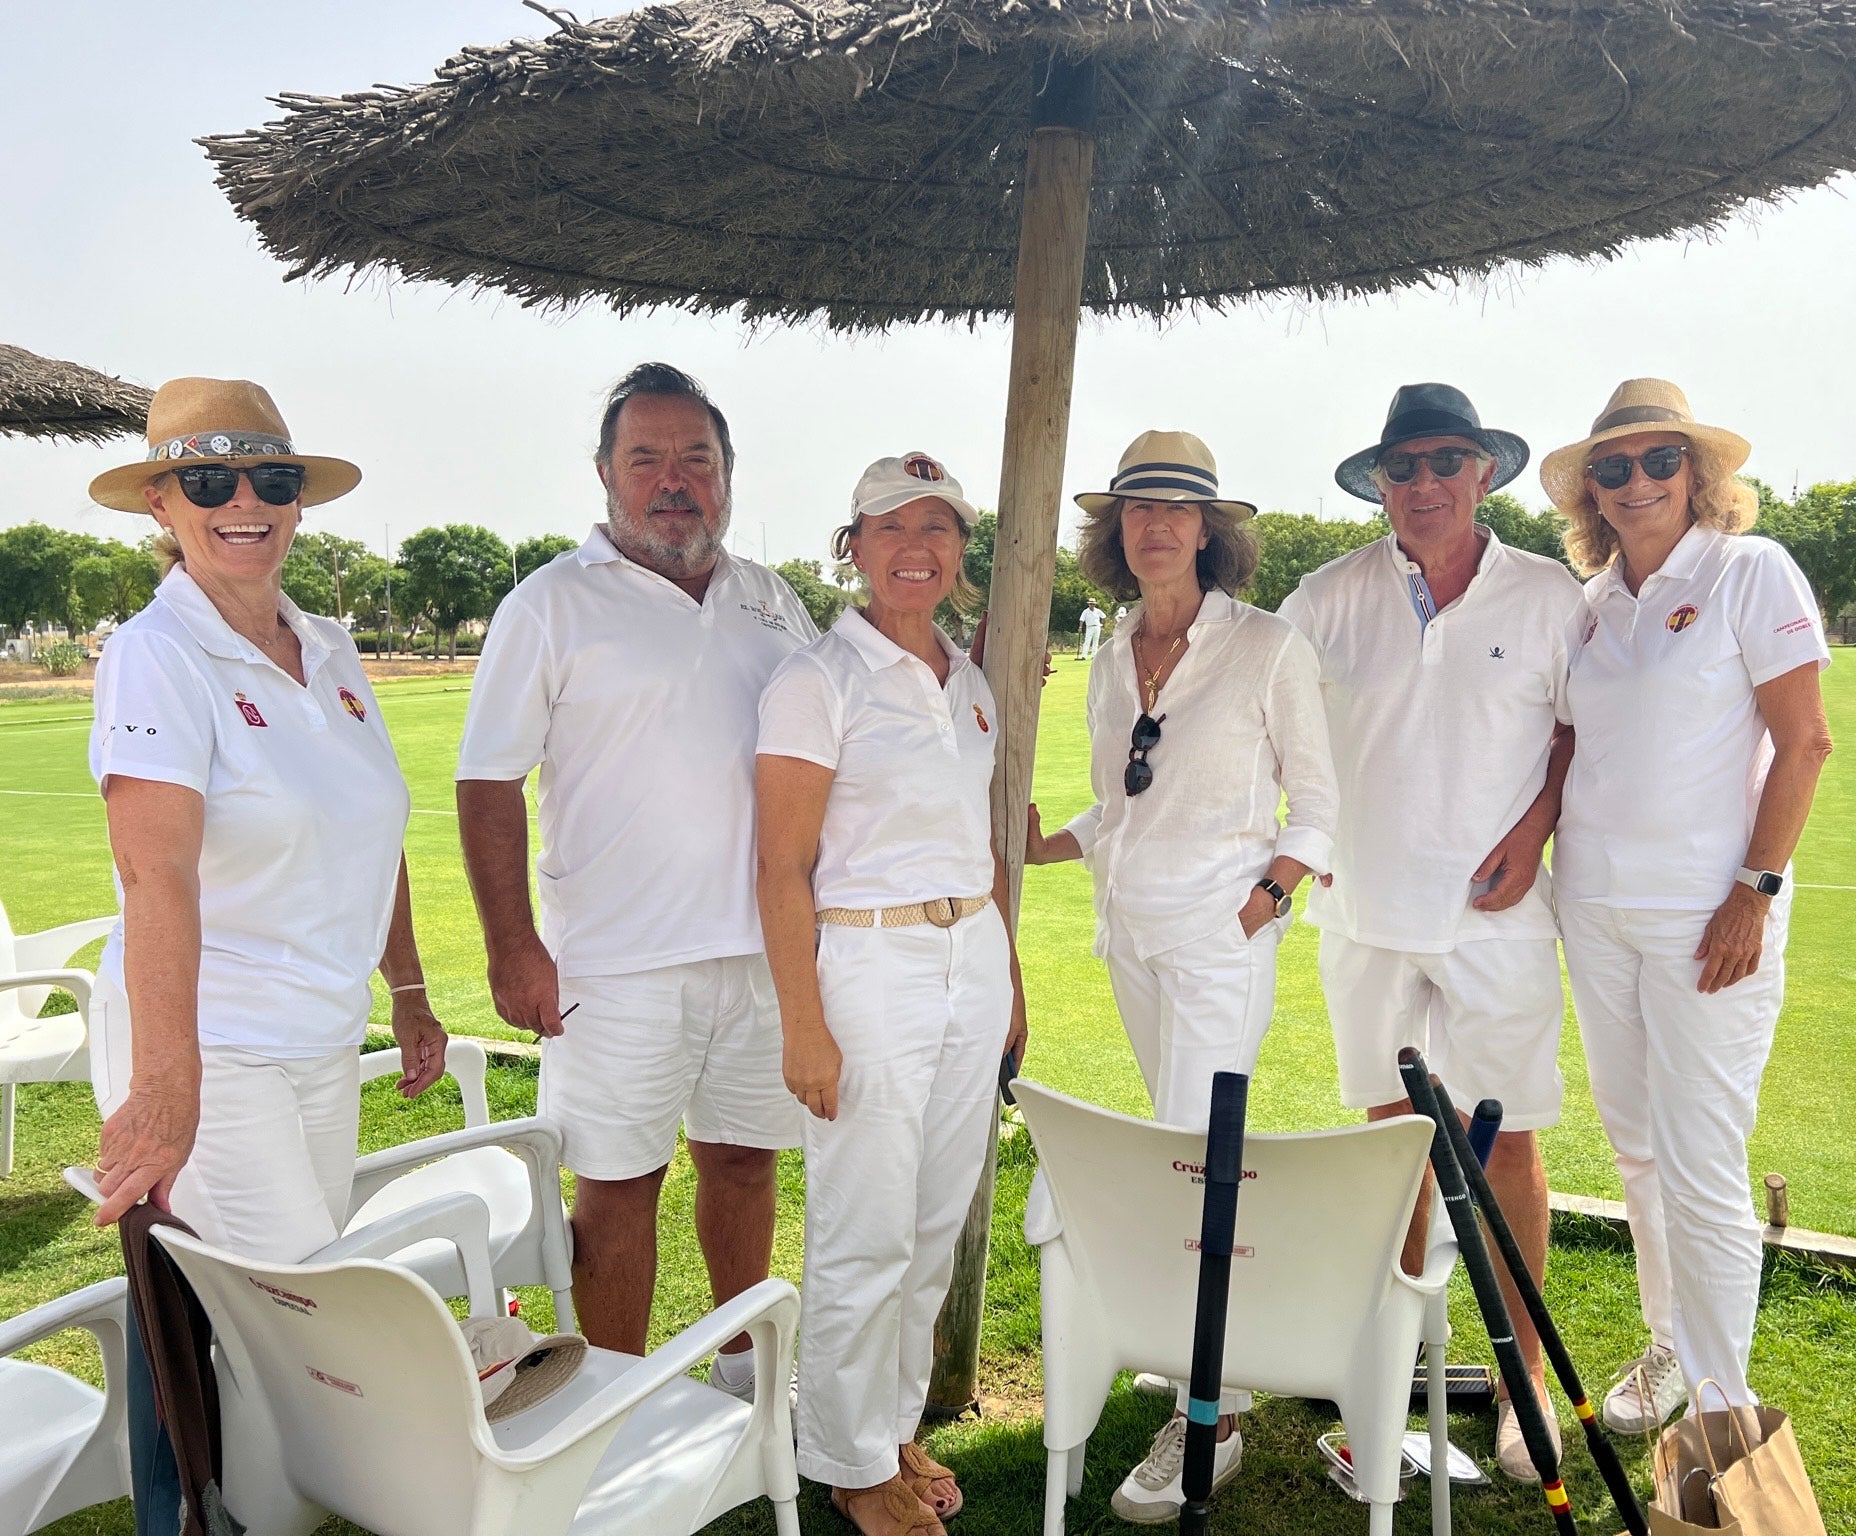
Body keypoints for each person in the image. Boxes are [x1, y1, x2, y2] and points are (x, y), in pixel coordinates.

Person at [83, 377, 448, 1532]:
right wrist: (167, 1082)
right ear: (162, 503)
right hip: (213, 1045)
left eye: (272, 481)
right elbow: (157, 875)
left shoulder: (331, 649)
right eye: (210, 481)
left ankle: (208, 1506)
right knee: (304, 1326)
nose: (245, 502)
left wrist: (411, 989)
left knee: (252, 1328)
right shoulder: (155, 654)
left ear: (298, 501)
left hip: (318, 1035)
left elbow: (372, 827)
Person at [456, 365, 815, 1379]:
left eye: (694, 458)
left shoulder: (773, 599)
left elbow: (837, 735)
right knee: (616, 1191)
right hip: (611, 967)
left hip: (758, 954)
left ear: (727, 475)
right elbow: (487, 786)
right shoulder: (550, 605)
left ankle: (743, 1376)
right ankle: (609, 1411)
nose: (672, 481)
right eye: (645, 458)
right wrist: (514, 946)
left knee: (743, 1166)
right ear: (605, 474)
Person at [1024, 430, 1338, 1523]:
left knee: (1201, 1162)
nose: (1154, 525)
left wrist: (1260, 905)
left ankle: (1216, 1409)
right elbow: (1118, 806)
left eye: (1176, 509)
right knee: (1175, 1144)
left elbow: (1319, 804)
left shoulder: (1266, 646)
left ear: (1210, 531)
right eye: (1134, 509)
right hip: (1132, 941)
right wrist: (1042, 842)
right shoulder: (1110, 650)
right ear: (1114, 532)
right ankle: (1197, 1352)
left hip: (1218, 944)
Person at [1278, 384, 1583, 1481]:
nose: (1422, 486)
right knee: (1389, 1140)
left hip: (1495, 921)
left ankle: (1522, 1389)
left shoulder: (1549, 595)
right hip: (1361, 916)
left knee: (1505, 1143)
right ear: (1378, 484)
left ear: (1483, 474)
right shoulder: (1322, 597)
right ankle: (1383, 1369)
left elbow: (1573, 735)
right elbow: (1267, 727)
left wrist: (1535, 828)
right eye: (1401, 468)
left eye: (1444, 462)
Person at [1543, 379, 1832, 1427]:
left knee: (1702, 1156)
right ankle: (1671, 1347)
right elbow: (1569, 747)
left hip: (1708, 916)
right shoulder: (1586, 602)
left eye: (1657, 461)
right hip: (1596, 907)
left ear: (1696, 474)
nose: (1633, 483)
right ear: (1589, 491)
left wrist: (1751, 893)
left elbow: (1802, 741)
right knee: (1635, 1149)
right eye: (1609, 468)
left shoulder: (1748, 569)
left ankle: (1720, 1404)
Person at [756, 453, 1028, 1535]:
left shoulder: (964, 679)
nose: (917, 548)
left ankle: (888, 1422)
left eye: (940, 529)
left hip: (969, 947)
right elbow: (779, 865)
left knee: (931, 1221)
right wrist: (802, 1023)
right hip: (868, 965)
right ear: (853, 545)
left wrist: (1005, 977)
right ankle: (845, 1460)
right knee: (863, 1226)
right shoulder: (815, 679)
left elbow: (979, 841)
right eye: (891, 527)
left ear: (962, 550)